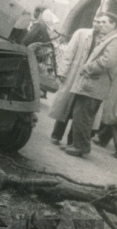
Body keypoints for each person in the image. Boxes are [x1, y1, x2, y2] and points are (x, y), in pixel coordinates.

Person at [57, 13, 117, 157]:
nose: (100, 25)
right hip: (91, 84)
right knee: (80, 115)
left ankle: (81, 147)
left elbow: (107, 61)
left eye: (104, 22)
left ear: (113, 24)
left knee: (84, 116)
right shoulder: (108, 38)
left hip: (94, 85)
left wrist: (87, 67)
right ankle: (77, 145)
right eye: (99, 22)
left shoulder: (114, 40)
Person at [49, 15, 103, 146]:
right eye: (95, 21)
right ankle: (56, 135)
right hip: (74, 75)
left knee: (80, 110)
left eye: (101, 22)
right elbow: (69, 54)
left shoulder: (105, 40)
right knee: (66, 105)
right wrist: (63, 72)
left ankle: (71, 140)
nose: (97, 24)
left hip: (89, 79)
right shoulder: (81, 33)